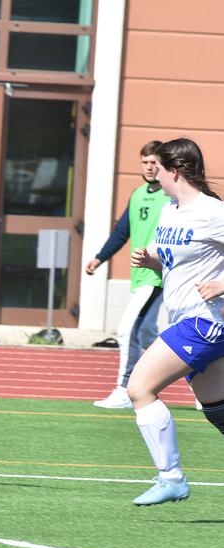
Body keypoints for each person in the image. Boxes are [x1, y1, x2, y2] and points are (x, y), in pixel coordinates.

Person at [126, 138, 224, 506]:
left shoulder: (213, 212)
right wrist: (152, 259)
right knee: (217, 409)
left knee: (139, 387)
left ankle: (171, 478)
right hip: (185, 320)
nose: (155, 174)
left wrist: (221, 284)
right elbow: (177, 257)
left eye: (160, 169)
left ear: (176, 171)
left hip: (206, 323)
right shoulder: (170, 208)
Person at [86, 141, 166, 409]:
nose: (150, 167)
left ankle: (125, 390)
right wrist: (100, 258)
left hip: (158, 276)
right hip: (140, 277)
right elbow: (122, 232)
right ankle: (200, 377)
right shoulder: (137, 195)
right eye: (146, 162)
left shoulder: (171, 196)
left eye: (155, 162)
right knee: (146, 335)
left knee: (126, 331)